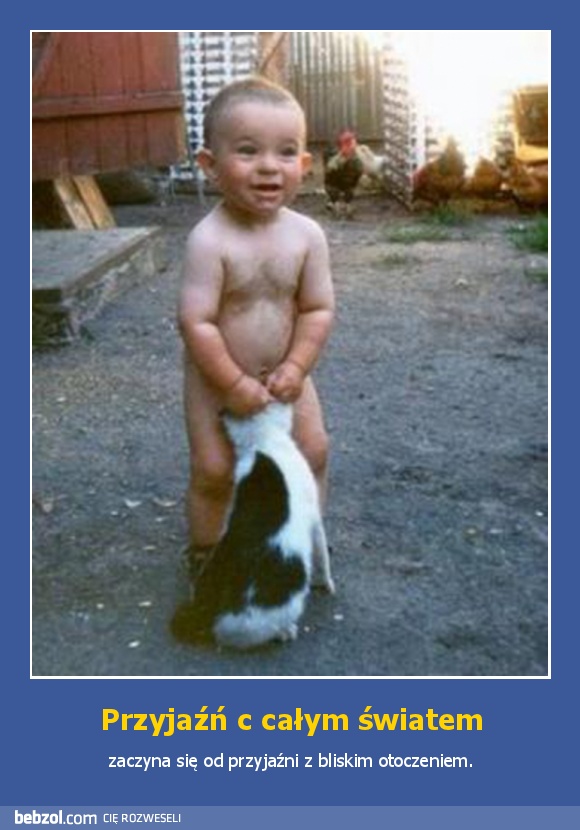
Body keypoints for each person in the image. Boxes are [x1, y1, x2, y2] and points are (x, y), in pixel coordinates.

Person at [177, 76, 335, 577]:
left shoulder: (307, 236)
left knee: (313, 451)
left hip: (288, 377)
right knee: (215, 471)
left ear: (304, 165)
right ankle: (207, 556)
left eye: (286, 152)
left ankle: (301, 541)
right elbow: (196, 321)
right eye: (248, 151)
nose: (269, 166)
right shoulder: (210, 240)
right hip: (216, 380)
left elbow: (317, 309)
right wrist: (232, 383)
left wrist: (297, 366)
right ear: (210, 165)